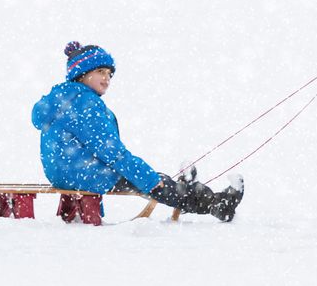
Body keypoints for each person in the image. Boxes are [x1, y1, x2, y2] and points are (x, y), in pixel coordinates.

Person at [32, 42, 245, 222]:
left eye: (109, 74)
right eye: (100, 72)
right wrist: (149, 179)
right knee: (153, 182)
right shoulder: (86, 103)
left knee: (148, 178)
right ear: (81, 74)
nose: (106, 78)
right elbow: (111, 152)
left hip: (62, 174)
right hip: (85, 173)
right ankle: (217, 205)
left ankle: (193, 192)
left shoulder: (61, 99)